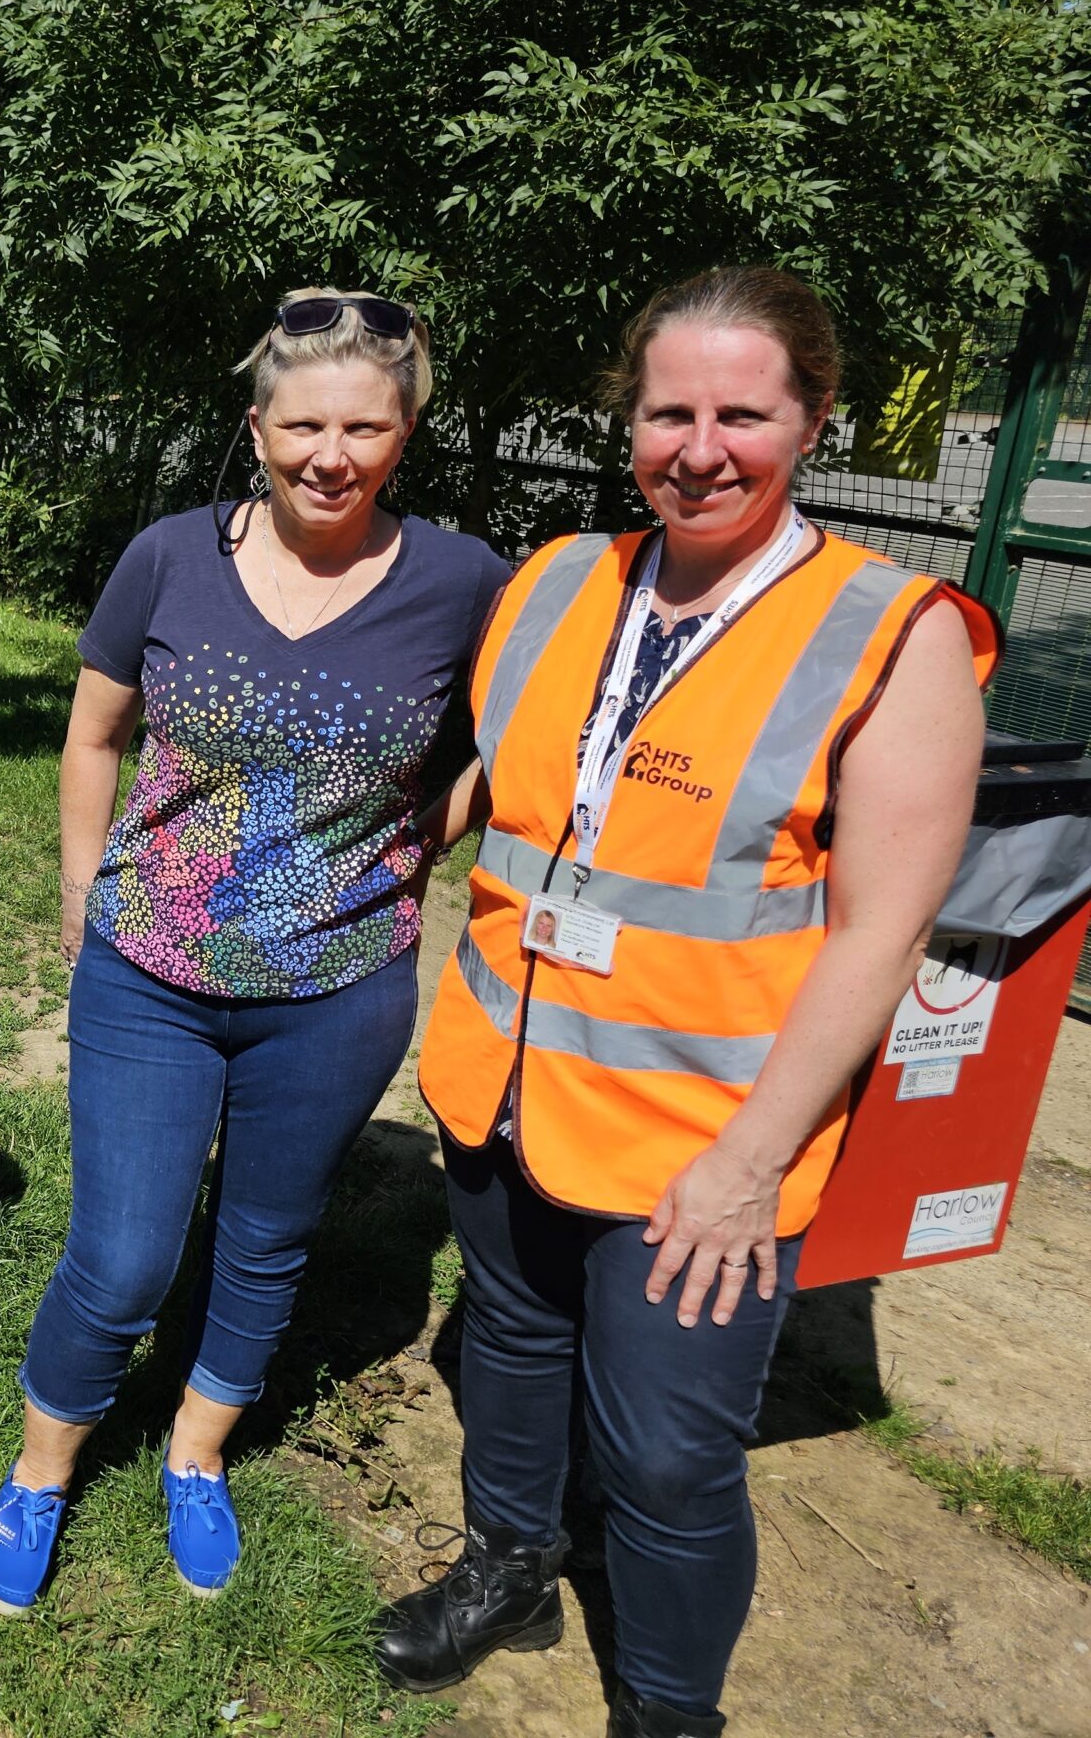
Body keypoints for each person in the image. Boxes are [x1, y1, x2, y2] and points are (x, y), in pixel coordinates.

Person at [377, 267, 995, 1737]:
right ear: (630, 419)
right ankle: (513, 1573)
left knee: (663, 1460)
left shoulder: (890, 635)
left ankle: (669, 1714)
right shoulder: (557, 579)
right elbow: (517, 794)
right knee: (512, 1352)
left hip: (702, 1142)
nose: (699, 447)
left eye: (742, 413)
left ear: (812, 420)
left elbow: (878, 933)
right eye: (669, 412)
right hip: (506, 1083)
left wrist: (746, 1168)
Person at [0, 291, 509, 1613]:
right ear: (258, 423)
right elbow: (93, 735)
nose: (332, 454)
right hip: (149, 971)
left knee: (267, 1242)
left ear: (406, 432)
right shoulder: (168, 557)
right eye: (305, 423)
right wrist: (79, 889)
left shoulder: (462, 584)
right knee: (126, 1256)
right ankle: (42, 1475)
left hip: (339, 993)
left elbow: (509, 744)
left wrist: (419, 842)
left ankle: (196, 1459)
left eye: (365, 428)